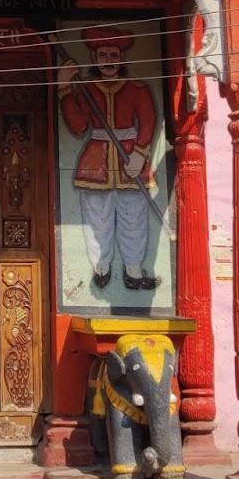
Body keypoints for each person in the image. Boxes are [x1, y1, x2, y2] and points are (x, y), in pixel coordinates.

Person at [58, 26, 158, 291]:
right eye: (103, 55)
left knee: (134, 219)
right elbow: (78, 126)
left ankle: (133, 271)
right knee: (97, 220)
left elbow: (148, 121)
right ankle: (101, 267)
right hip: (95, 161)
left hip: (130, 160)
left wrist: (140, 152)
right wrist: (65, 88)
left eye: (114, 55)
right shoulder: (86, 89)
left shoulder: (137, 88)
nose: (109, 61)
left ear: (122, 57)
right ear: (94, 58)